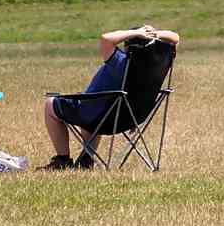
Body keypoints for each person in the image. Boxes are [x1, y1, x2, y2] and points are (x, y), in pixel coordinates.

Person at [42, 24, 180, 170]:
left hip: (103, 117)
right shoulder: (159, 64)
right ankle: (86, 159)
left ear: (128, 46)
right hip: (131, 118)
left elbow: (106, 38)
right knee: (91, 101)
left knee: (51, 104)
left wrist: (136, 32)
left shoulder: (120, 61)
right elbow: (175, 38)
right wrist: (155, 34)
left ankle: (63, 160)